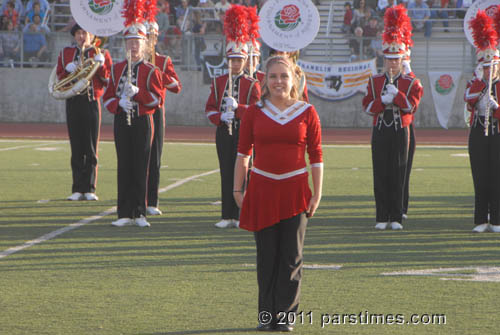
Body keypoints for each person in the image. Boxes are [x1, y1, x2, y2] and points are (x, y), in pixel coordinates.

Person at [233, 55, 323, 332]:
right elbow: (243, 153)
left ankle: (285, 318)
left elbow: (316, 156)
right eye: (273, 77)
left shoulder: (307, 112)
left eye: (284, 77)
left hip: (295, 191)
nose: (278, 82)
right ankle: (266, 317)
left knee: (292, 258)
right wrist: (238, 189)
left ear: (294, 79)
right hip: (262, 190)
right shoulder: (254, 112)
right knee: (267, 257)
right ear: (265, 80)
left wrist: (316, 194)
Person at [362, 5, 423, 230]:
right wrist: (381, 102)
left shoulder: (410, 83)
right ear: (384, 59)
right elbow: (367, 107)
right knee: (380, 171)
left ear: (401, 60)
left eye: (396, 59)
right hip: (380, 129)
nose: (392, 63)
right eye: (389, 59)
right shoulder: (374, 81)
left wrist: (396, 97)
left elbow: (411, 107)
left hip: (400, 130)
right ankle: (381, 216)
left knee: (398, 171)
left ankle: (396, 216)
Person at [103, 22, 163, 227]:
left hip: (142, 121)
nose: (134, 46)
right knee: (124, 165)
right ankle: (124, 213)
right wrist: (118, 103)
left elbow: (157, 99)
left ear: (144, 44)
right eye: (130, 42)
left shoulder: (150, 70)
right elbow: (108, 98)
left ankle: (140, 213)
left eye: (137, 42)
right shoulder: (116, 68)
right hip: (122, 120)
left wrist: (139, 94)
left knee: (141, 166)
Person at [205, 41, 261, 228]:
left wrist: (239, 109)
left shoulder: (253, 84)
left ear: (245, 61)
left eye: (239, 60)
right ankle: (227, 215)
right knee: (226, 171)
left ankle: (241, 214)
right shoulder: (218, 82)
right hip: (223, 131)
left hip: (244, 133)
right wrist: (221, 116)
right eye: (232, 60)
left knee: (244, 173)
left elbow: (258, 110)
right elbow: (209, 108)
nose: (235, 64)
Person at [56, 24, 112, 201]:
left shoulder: (100, 53)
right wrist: (67, 70)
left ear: (92, 35)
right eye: (78, 33)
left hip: (90, 101)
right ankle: (77, 188)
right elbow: (59, 78)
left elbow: (107, 80)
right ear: (74, 36)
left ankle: (90, 187)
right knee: (76, 146)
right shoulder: (65, 54)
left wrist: (101, 65)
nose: (81, 36)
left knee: (90, 146)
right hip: (72, 101)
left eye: (85, 33)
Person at [464, 11, 500, 233]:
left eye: (492, 66)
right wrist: (479, 86)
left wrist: (496, 107)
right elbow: (468, 100)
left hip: (497, 132)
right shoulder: (475, 82)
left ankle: (496, 219)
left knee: (497, 175)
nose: (489, 70)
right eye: (485, 67)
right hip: (478, 131)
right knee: (480, 175)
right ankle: (480, 219)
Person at [145, 21, 182, 216]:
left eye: (152, 36)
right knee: (135, 159)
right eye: (146, 36)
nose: (149, 40)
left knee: (155, 158)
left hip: (156, 111)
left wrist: (160, 76)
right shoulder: (131, 60)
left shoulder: (163, 60)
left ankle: (152, 201)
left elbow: (176, 86)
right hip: (136, 111)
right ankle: (134, 200)